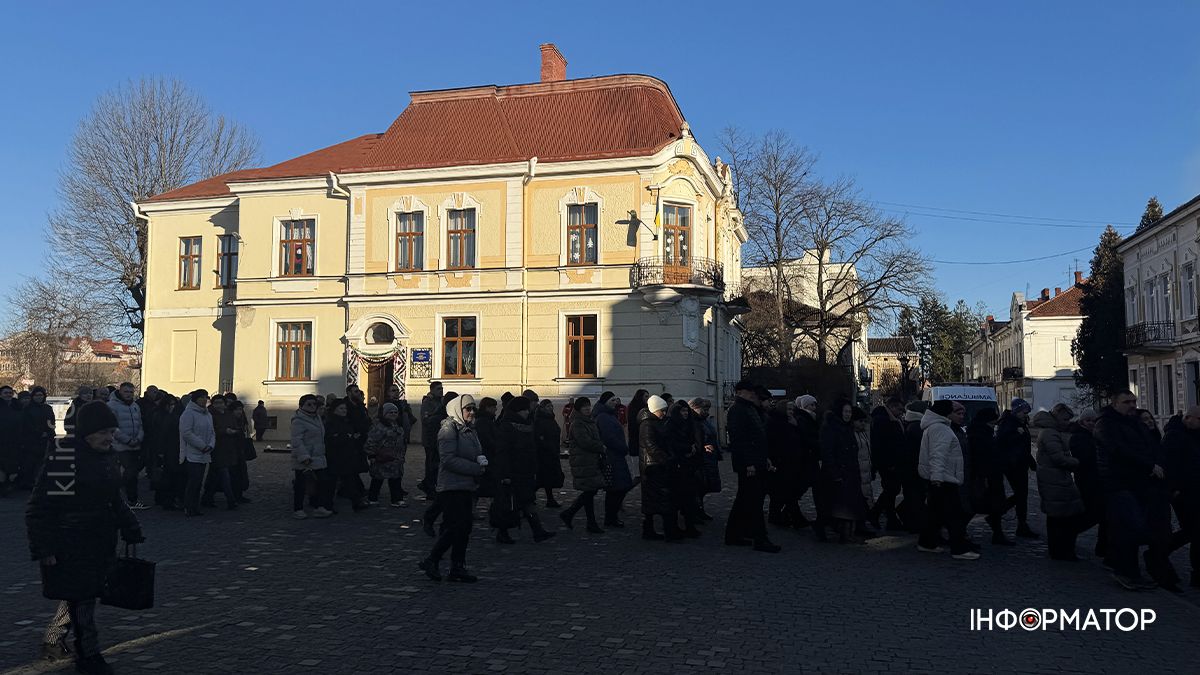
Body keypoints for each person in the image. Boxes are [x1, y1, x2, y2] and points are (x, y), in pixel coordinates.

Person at [27, 401, 144, 675]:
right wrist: (44, 548)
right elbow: (43, 508)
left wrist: (131, 527)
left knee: (81, 594)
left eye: (112, 432)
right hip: (70, 542)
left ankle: (53, 640)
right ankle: (88, 655)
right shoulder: (65, 458)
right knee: (83, 600)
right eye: (103, 432)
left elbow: (114, 499)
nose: (109, 438)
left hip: (100, 540)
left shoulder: (108, 456)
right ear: (87, 432)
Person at [1095, 391, 1175, 590]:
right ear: (1114, 403)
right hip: (1117, 483)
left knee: (1137, 528)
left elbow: (1150, 446)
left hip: (1139, 483)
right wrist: (1149, 465)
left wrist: (1157, 463)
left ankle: (1131, 571)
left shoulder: (1135, 423)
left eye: (1133, 401)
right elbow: (1119, 451)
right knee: (1129, 527)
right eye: (1126, 402)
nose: (1132, 405)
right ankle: (1125, 572)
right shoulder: (1105, 424)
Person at [418, 394, 484, 583]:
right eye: (468, 409)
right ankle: (433, 559)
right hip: (451, 486)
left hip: (466, 485)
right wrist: (475, 468)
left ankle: (457, 566)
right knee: (457, 526)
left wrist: (481, 460)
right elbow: (447, 460)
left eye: (474, 409)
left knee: (464, 527)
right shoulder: (449, 429)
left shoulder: (469, 429)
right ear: (458, 410)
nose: (472, 412)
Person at [917, 400, 978, 560]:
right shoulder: (940, 428)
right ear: (946, 413)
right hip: (944, 478)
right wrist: (937, 477)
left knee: (935, 514)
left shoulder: (935, 426)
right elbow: (937, 454)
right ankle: (959, 549)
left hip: (941, 477)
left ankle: (927, 542)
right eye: (954, 411)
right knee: (954, 515)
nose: (959, 415)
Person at [724, 381, 780, 552]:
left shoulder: (748, 408)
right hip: (749, 464)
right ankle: (759, 538)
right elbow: (739, 439)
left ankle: (733, 535)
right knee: (753, 501)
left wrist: (764, 458)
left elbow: (758, 436)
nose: (752, 394)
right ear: (740, 392)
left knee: (744, 500)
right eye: (748, 391)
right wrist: (748, 463)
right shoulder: (738, 410)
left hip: (756, 460)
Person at [493, 396, 555, 543]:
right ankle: (505, 532)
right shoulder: (507, 427)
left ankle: (536, 531)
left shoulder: (527, 425)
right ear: (517, 411)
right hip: (513, 471)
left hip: (525, 470)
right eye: (524, 410)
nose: (528, 412)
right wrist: (505, 474)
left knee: (525, 501)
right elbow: (503, 452)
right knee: (511, 503)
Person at [1034, 404, 1085, 561]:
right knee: (1061, 518)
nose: (1067, 423)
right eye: (1065, 419)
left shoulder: (1050, 431)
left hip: (1053, 479)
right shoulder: (1050, 433)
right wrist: (1077, 462)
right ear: (1056, 417)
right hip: (1055, 480)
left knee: (1057, 517)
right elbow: (1058, 458)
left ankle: (1058, 550)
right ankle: (1061, 551)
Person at [820, 400, 866, 544]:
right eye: (845, 411)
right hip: (840, 472)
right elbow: (828, 452)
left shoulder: (847, 428)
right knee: (842, 505)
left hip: (850, 471)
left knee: (850, 504)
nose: (848, 414)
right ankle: (843, 534)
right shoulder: (832, 428)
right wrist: (835, 472)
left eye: (849, 412)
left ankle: (848, 533)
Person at [966, 407, 1013, 546]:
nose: (994, 426)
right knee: (976, 506)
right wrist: (983, 476)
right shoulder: (978, 435)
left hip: (993, 475)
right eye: (992, 423)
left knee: (995, 506)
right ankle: (958, 532)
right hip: (986, 477)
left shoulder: (984, 433)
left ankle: (998, 534)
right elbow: (980, 457)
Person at [1166, 405, 1200, 588]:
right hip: (1184, 493)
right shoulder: (1175, 435)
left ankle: (1159, 551)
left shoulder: (1194, 434)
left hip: (1194, 490)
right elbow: (1170, 464)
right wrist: (1175, 488)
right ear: (1188, 418)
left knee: (1192, 532)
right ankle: (1159, 552)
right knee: (1194, 531)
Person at [563, 397, 609, 534]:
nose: (588, 409)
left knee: (590, 491)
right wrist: (601, 447)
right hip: (583, 461)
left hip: (590, 460)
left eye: (588, 406)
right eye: (584, 407)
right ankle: (576, 516)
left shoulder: (588, 421)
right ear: (579, 409)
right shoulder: (578, 423)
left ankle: (581, 519)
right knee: (590, 491)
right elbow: (585, 442)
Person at [996, 398, 1038, 539]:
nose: (1025, 415)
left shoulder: (1020, 423)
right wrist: (1016, 434)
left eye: (1027, 412)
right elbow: (1002, 441)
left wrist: (1031, 462)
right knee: (1021, 494)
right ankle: (999, 513)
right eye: (1023, 412)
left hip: (1020, 464)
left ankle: (1021, 524)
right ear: (1016, 411)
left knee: (1022, 495)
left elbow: (1024, 447)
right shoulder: (1009, 423)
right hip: (1012, 465)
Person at [639, 395, 677, 541]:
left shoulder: (657, 422)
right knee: (661, 499)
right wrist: (666, 460)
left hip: (656, 465)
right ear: (655, 410)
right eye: (662, 411)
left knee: (655, 500)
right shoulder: (647, 424)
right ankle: (666, 531)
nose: (664, 413)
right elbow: (651, 446)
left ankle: (650, 530)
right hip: (652, 467)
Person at [1069, 409, 1105, 559]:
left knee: (1102, 514)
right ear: (1082, 422)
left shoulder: (1093, 436)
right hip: (1087, 480)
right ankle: (1068, 534)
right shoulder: (1079, 437)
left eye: (1093, 421)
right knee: (1092, 513)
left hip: (1096, 480)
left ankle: (1103, 547)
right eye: (1088, 420)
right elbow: (1085, 459)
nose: (1091, 423)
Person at [291, 394, 333, 519]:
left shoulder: (317, 418)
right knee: (301, 484)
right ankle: (298, 509)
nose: (312, 406)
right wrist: (304, 456)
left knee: (323, 482)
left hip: (318, 456)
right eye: (309, 404)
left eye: (314, 404)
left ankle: (320, 507)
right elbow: (297, 440)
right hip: (305, 457)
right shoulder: (298, 420)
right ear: (301, 405)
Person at [595, 392, 633, 527]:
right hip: (612, 456)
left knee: (618, 488)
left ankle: (611, 517)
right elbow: (609, 438)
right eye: (612, 400)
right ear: (605, 402)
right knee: (617, 488)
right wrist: (623, 448)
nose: (615, 402)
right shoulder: (603, 417)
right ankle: (610, 517)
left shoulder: (610, 415)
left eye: (615, 400)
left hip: (617, 456)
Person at [868, 399, 906, 531]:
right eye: (899, 409)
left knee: (891, 490)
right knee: (891, 489)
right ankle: (876, 513)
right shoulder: (883, 420)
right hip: (888, 463)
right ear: (892, 407)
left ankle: (891, 519)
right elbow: (882, 444)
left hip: (892, 461)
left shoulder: (891, 419)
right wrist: (888, 462)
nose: (901, 412)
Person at [107, 382, 146, 510]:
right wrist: (127, 440)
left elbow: (140, 424)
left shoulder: (135, 406)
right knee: (129, 472)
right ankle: (130, 499)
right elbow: (112, 427)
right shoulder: (112, 406)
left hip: (135, 444)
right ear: (120, 391)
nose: (129, 394)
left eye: (131, 392)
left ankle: (130, 499)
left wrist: (139, 438)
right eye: (126, 392)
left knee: (132, 474)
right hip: (120, 446)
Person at [766, 399, 803, 529]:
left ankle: (784, 516)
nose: (791, 412)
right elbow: (774, 442)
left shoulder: (790, 422)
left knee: (784, 492)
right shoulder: (775, 422)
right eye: (788, 409)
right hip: (780, 462)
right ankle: (783, 517)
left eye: (792, 409)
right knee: (781, 492)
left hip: (789, 462)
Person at [326, 398, 369, 511]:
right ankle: (327, 504)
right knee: (332, 482)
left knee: (350, 480)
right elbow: (332, 438)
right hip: (335, 456)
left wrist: (352, 437)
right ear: (335, 410)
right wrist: (347, 437)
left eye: (345, 408)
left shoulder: (346, 421)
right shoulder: (331, 422)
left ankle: (356, 501)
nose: (344, 410)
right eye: (341, 408)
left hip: (348, 456)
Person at [178, 390, 215, 517]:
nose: (204, 399)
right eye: (201, 397)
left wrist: (211, 445)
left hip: (205, 454)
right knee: (193, 482)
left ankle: (195, 506)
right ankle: (188, 506)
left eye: (206, 397)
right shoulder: (188, 413)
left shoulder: (207, 414)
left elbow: (212, 432)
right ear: (195, 399)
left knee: (199, 482)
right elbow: (187, 433)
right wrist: (202, 445)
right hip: (191, 454)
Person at [201, 395, 240, 510]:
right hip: (217, 449)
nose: (219, 405)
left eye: (221, 403)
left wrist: (235, 431)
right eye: (216, 403)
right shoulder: (209, 415)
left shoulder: (229, 415)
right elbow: (210, 430)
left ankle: (207, 498)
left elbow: (236, 426)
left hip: (229, 448)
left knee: (214, 475)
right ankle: (231, 500)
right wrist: (224, 431)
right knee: (224, 475)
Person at [365, 402, 407, 508]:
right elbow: (371, 441)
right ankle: (373, 498)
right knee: (378, 479)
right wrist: (371, 455)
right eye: (390, 412)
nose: (393, 414)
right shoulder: (378, 426)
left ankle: (397, 499)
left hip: (396, 458)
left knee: (395, 479)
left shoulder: (397, 425)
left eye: (395, 412)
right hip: (382, 457)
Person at [18, 386, 57, 490]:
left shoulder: (48, 408)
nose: (39, 397)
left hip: (46, 439)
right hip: (32, 440)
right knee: (31, 463)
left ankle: (41, 482)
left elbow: (52, 421)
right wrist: (39, 433)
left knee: (44, 462)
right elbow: (26, 424)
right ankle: (29, 482)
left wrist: (49, 432)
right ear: (33, 396)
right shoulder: (28, 409)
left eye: (41, 395)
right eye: (36, 395)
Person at [690, 397, 721, 520]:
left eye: (707, 409)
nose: (706, 412)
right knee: (698, 485)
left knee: (704, 486)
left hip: (709, 458)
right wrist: (702, 447)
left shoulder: (704, 420)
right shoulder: (693, 422)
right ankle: (695, 511)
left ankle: (700, 509)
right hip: (700, 458)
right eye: (704, 409)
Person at [533, 399, 565, 508]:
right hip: (544, 454)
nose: (551, 408)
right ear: (542, 408)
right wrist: (548, 446)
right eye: (548, 406)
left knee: (547, 478)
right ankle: (527, 498)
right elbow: (539, 437)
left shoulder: (551, 419)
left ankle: (550, 499)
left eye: (551, 406)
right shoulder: (539, 420)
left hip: (552, 452)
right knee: (542, 478)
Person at [419, 382, 446, 500]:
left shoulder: (441, 401)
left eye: (442, 388)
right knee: (431, 464)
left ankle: (428, 484)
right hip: (430, 438)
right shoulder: (428, 402)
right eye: (438, 389)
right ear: (432, 390)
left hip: (439, 438)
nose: (441, 391)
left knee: (435, 464)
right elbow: (426, 420)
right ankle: (429, 487)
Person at [851, 406, 874, 537]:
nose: (863, 424)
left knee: (865, 496)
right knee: (859, 499)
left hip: (865, 470)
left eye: (864, 421)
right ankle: (859, 524)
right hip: (858, 471)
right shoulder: (851, 434)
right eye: (860, 421)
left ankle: (862, 522)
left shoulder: (862, 433)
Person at [0, 385, 22, 496]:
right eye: (5, 393)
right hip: (2, 440)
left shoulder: (17, 405)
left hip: (15, 440)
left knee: (13, 465)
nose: (8, 395)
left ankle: (9, 485)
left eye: (10, 393)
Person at [61, 386, 94, 450]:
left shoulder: (95, 406)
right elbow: (68, 424)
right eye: (85, 393)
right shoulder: (74, 407)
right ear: (80, 395)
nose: (88, 395)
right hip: (77, 439)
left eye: (90, 393)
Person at [627, 389, 650, 459]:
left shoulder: (646, 407)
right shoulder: (634, 409)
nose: (648, 398)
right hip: (636, 439)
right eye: (646, 396)